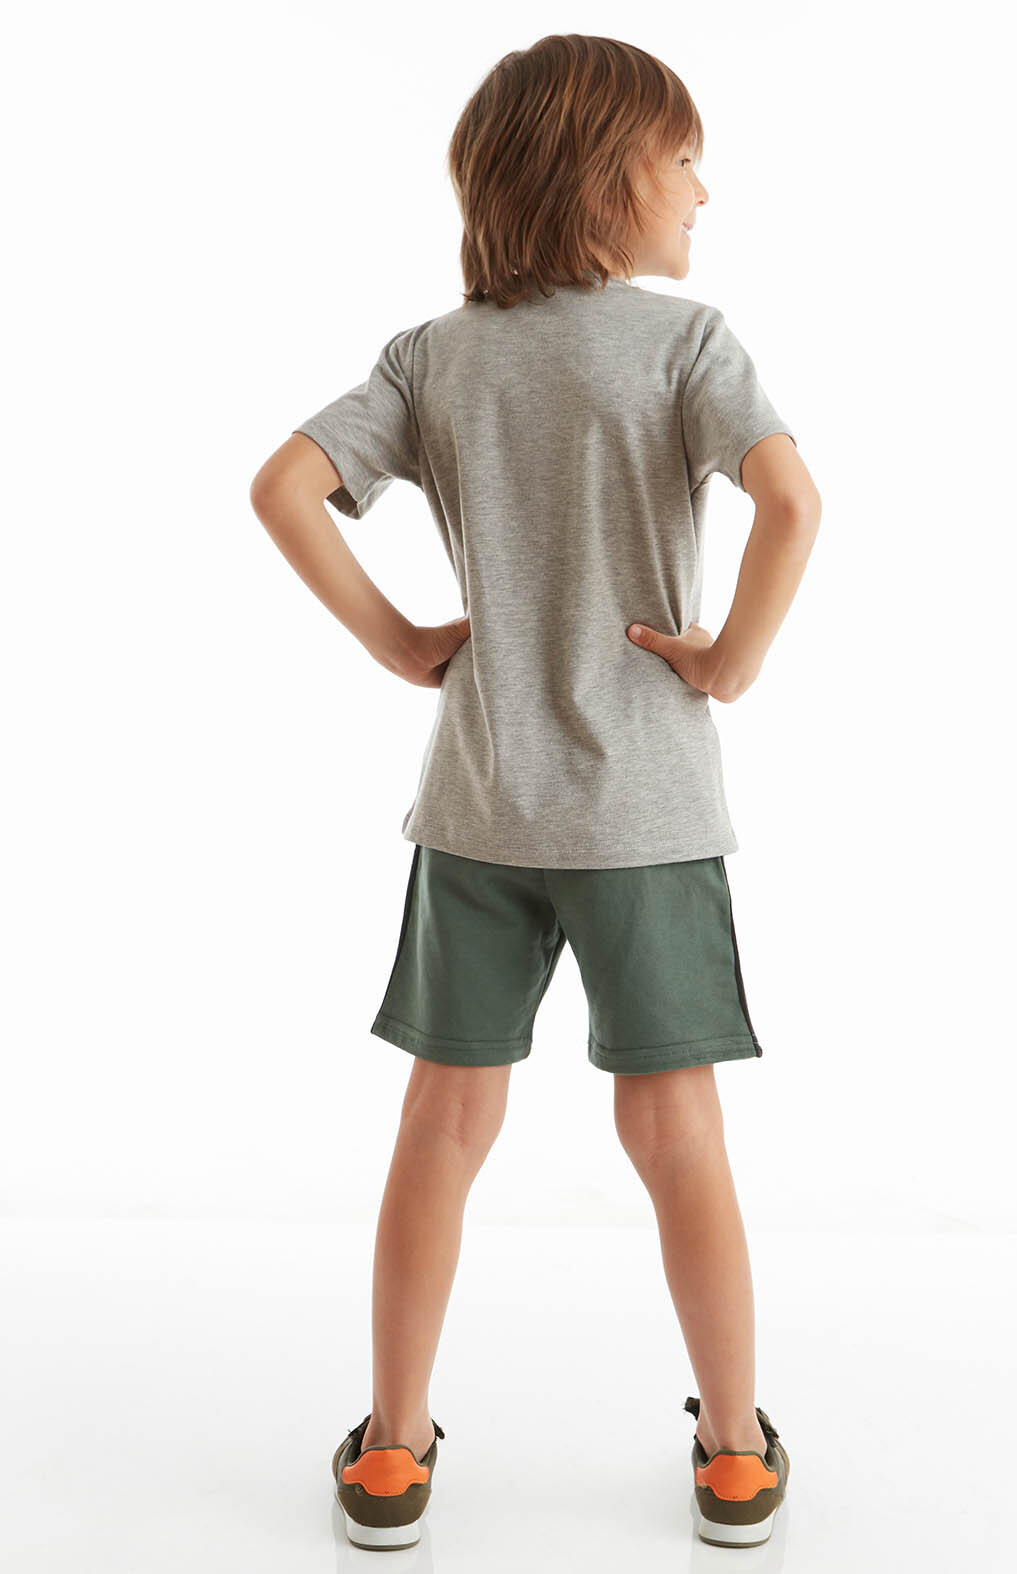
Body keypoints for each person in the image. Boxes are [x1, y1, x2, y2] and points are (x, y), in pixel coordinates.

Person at [250, 32, 821, 1551]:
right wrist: (730, 663)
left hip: (481, 806)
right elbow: (791, 500)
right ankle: (733, 1452)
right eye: (682, 160)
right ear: (604, 177)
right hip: (648, 818)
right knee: (677, 1134)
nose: (703, 190)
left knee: (442, 1125)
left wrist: (399, 644)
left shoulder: (434, 357)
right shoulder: (688, 346)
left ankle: (390, 1452)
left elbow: (282, 487)